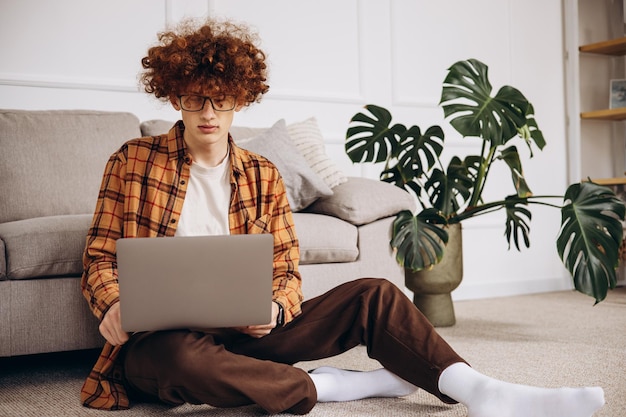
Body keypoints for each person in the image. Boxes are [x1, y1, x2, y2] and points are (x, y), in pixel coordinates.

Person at [81, 18, 606, 417]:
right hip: (168, 342)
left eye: (221, 100)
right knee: (179, 365)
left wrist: (275, 306)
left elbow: (285, 268)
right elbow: (101, 257)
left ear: (241, 98)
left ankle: (478, 389)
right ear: (175, 96)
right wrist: (115, 305)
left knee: (374, 292)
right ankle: (330, 386)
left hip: (248, 334)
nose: (209, 114)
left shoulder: (262, 173)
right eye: (196, 100)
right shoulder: (132, 161)